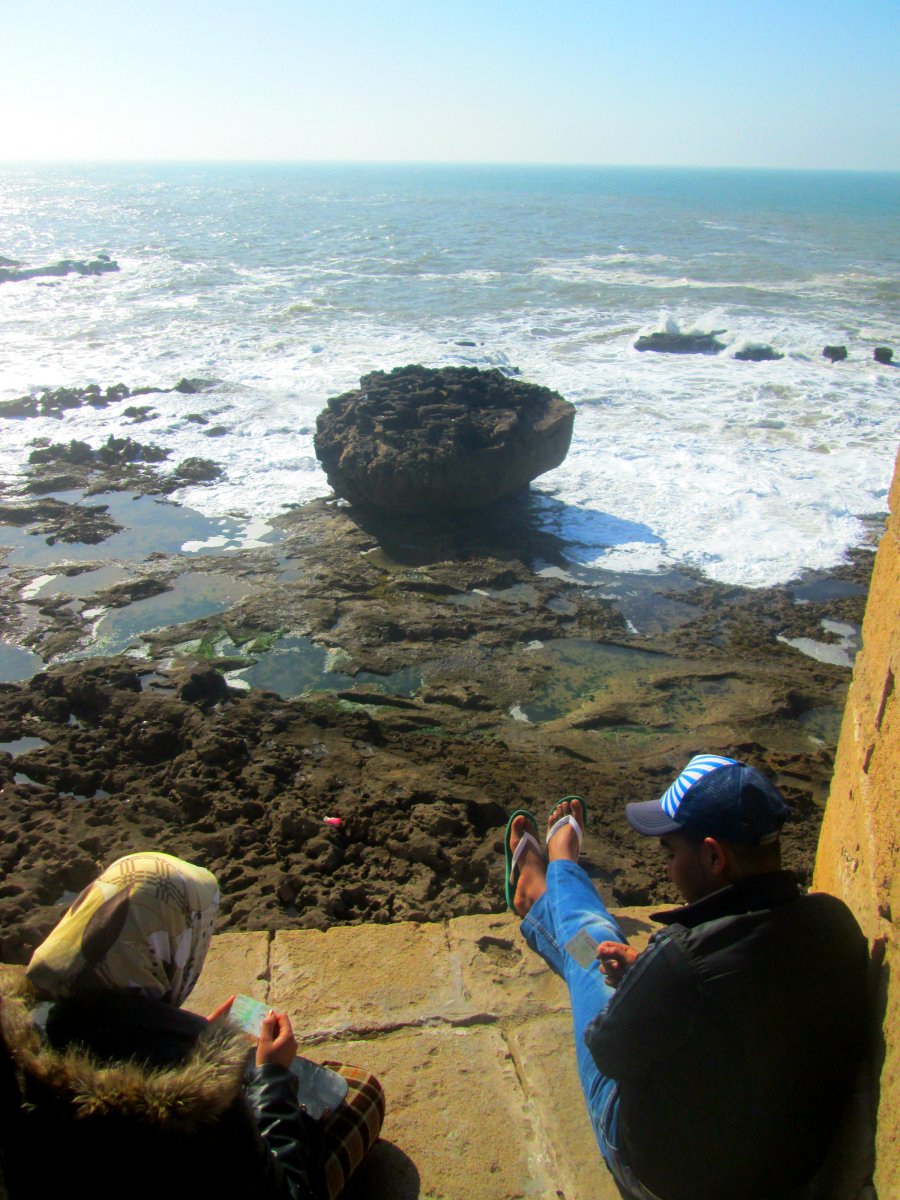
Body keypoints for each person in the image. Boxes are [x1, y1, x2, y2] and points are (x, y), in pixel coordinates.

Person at [505, 754, 869, 1200]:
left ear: (714, 856)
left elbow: (607, 1051)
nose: (667, 867)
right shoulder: (836, 922)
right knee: (594, 951)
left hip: (665, 1177)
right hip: (788, 1172)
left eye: (671, 852)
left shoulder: (683, 962)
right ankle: (543, 893)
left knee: (586, 948)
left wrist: (647, 983)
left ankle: (556, 876)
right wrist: (655, 979)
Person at [0, 851, 384, 1200]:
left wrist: (189, 1034)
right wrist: (272, 1076)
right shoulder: (194, 1096)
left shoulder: (19, 1036)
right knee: (359, 1092)